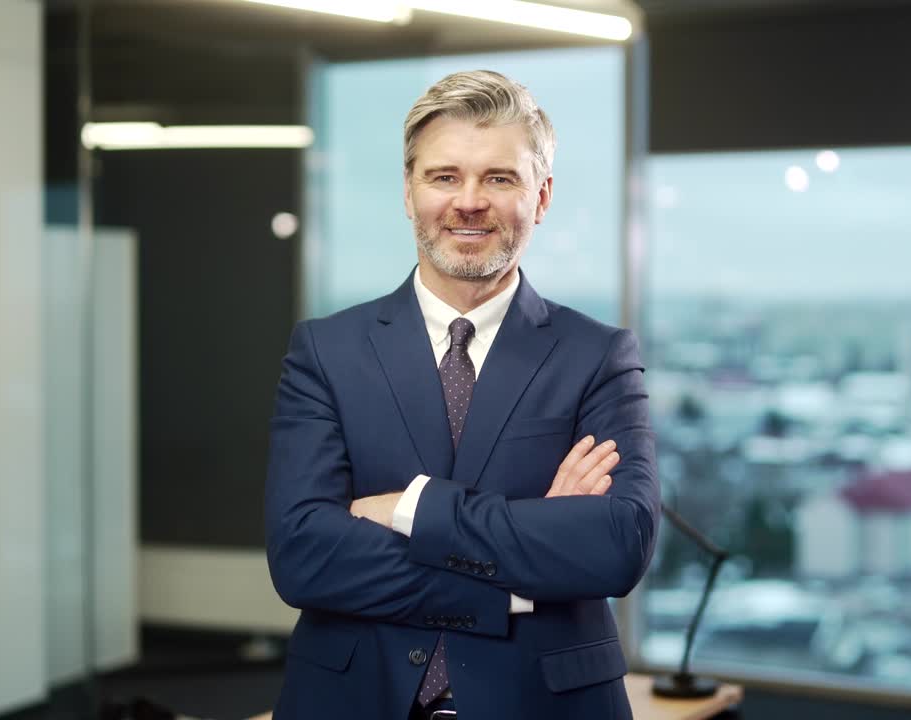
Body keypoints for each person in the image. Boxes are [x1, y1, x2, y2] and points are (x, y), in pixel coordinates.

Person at [265, 70, 660, 720]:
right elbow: (304, 555)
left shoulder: (598, 356)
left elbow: (616, 544)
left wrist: (412, 509)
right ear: (408, 190)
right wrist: (519, 575)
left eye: (500, 178)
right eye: (444, 176)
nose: (468, 202)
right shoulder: (326, 352)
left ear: (542, 196)